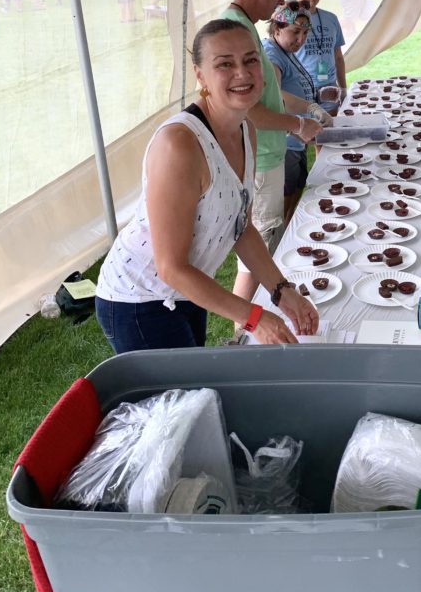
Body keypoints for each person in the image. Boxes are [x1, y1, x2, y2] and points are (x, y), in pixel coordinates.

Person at [95, 18, 318, 351]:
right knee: (183, 400)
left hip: (189, 290)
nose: (242, 74)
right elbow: (170, 267)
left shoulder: (246, 130)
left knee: (197, 392)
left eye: (250, 60)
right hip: (138, 300)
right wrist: (254, 317)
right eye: (225, 64)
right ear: (200, 75)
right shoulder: (179, 144)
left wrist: (282, 291)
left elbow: (241, 228)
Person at [220, 0, 329, 303]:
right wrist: (298, 124)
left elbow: (268, 97)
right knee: (257, 251)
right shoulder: (236, 32)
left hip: (265, 154)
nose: (280, 2)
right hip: (259, 158)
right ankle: (244, 329)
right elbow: (248, 109)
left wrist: (305, 111)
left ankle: (256, 317)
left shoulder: (243, 28)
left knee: (262, 244)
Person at [263, 2, 319, 223]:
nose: (301, 39)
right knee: (283, 203)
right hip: (286, 141)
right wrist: (309, 109)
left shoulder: (286, 51)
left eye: (305, 33)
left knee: (296, 192)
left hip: (297, 138)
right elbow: (276, 97)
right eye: (295, 32)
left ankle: (289, 230)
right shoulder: (272, 54)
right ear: (277, 29)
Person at [293, 0, 347, 108]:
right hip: (302, 93)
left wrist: (343, 90)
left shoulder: (331, 19)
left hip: (330, 91)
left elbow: (338, 57)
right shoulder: (290, 21)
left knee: (332, 128)